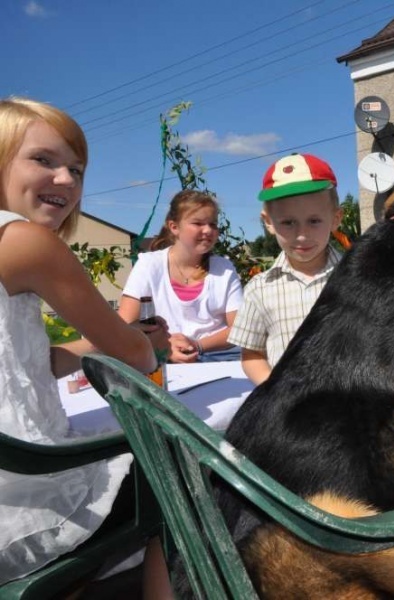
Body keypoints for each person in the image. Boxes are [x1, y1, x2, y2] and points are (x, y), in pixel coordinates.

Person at [0, 97, 172, 596]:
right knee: (183, 472)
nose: (67, 180)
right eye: (43, 160)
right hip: (21, 494)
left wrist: (111, 342)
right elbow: (137, 356)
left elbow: (28, 362)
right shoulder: (25, 241)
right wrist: (141, 344)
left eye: (75, 168)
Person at [227, 153, 343, 385]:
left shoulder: (356, 279)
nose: (301, 234)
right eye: (288, 222)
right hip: (288, 412)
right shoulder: (259, 289)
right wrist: (274, 390)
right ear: (268, 222)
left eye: (314, 221)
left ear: (335, 218)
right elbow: (252, 354)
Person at [118, 190, 244, 363]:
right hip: (162, 355)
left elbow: (239, 329)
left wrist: (196, 345)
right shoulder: (149, 265)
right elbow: (126, 324)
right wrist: (165, 347)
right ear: (174, 227)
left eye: (213, 224)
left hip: (219, 355)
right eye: (198, 223)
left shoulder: (224, 269)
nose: (208, 230)